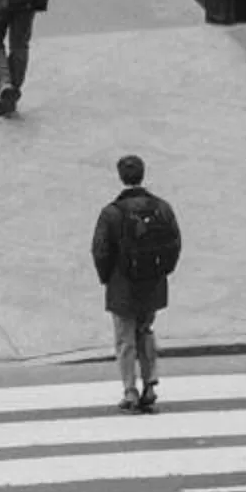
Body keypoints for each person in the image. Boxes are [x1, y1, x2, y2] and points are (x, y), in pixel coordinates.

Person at [90, 154, 181, 413]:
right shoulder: (162, 207)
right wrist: (163, 270)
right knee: (145, 330)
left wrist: (106, 277)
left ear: (121, 177)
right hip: (152, 282)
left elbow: (100, 250)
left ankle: (129, 390)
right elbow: (174, 243)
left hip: (122, 284)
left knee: (124, 338)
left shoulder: (112, 213)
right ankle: (150, 384)